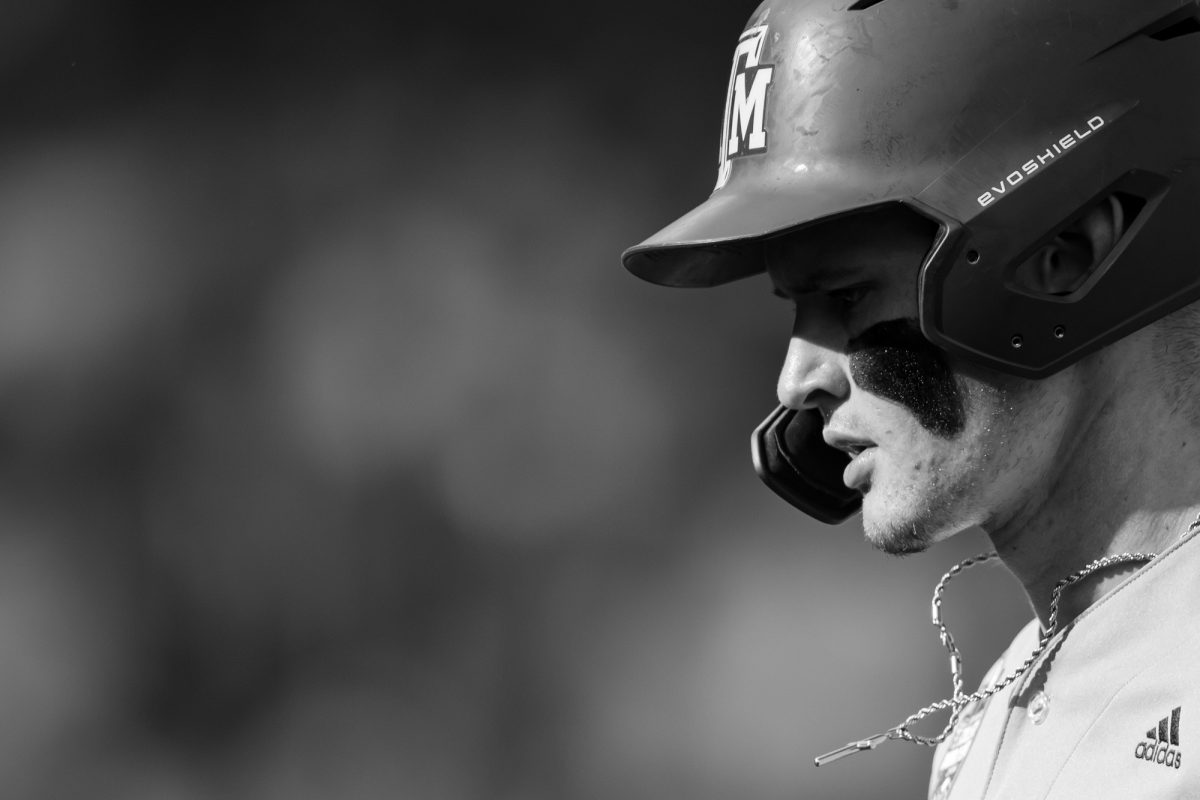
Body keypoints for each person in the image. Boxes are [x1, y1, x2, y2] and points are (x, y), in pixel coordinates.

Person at [622, 0, 1200, 797]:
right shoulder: (997, 717)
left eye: (849, 296)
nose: (797, 381)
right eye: (796, 309)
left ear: (1066, 257)